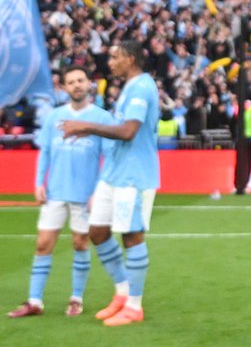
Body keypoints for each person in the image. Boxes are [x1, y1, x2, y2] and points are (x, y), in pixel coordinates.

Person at [60, 40, 161, 327]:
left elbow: (129, 131)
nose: (110, 62)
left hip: (134, 175)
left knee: (131, 236)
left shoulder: (141, 87)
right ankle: (122, 291)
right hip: (114, 172)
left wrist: (86, 126)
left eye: (115, 57)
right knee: (98, 231)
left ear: (130, 59)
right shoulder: (129, 87)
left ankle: (135, 305)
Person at [7, 68, 112, 319]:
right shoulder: (55, 117)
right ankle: (34, 301)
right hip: (55, 190)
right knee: (43, 244)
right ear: (64, 88)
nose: (76, 85)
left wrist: (98, 190)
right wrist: (38, 182)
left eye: (80, 80)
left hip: (85, 193)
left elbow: (108, 158)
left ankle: (76, 298)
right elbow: (45, 152)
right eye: (71, 82)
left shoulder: (102, 118)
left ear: (89, 84)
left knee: (79, 243)